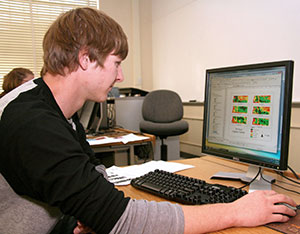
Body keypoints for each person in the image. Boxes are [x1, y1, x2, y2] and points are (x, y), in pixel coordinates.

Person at [0, 7, 297, 234]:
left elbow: (91, 168)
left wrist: (92, 213)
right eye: (116, 63)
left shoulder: (56, 107)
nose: (121, 76)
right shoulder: (34, 123)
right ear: (86, 58)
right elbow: (124, 221)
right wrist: (235, 212)